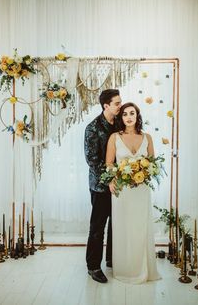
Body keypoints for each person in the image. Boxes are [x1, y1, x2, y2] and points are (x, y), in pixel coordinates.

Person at [106, 102, 160, 284]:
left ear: (137, 116)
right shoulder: (115, 137)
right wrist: (112, 181)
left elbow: (153, 163)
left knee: (140, 228)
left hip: (141, 190)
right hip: (122, 190)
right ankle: (124, 270)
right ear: (121, 118)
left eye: (132, 113)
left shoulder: (148, 137)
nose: (128, 117)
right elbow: (109, 163)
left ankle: (142, 269)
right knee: (123, 229)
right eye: (124, 114)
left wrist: (146, 172)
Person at [84, 89, 122, 283]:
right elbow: (92, 160)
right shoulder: (92, 128)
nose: (120, 106)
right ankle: (93, 266)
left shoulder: (120, 123)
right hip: (100, 186)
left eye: (120, 102)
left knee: (117, 224)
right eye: (117, 103)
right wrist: (110, 180)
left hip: (122, 184)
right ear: (106, 105)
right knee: (98, 226)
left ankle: (112, 259)